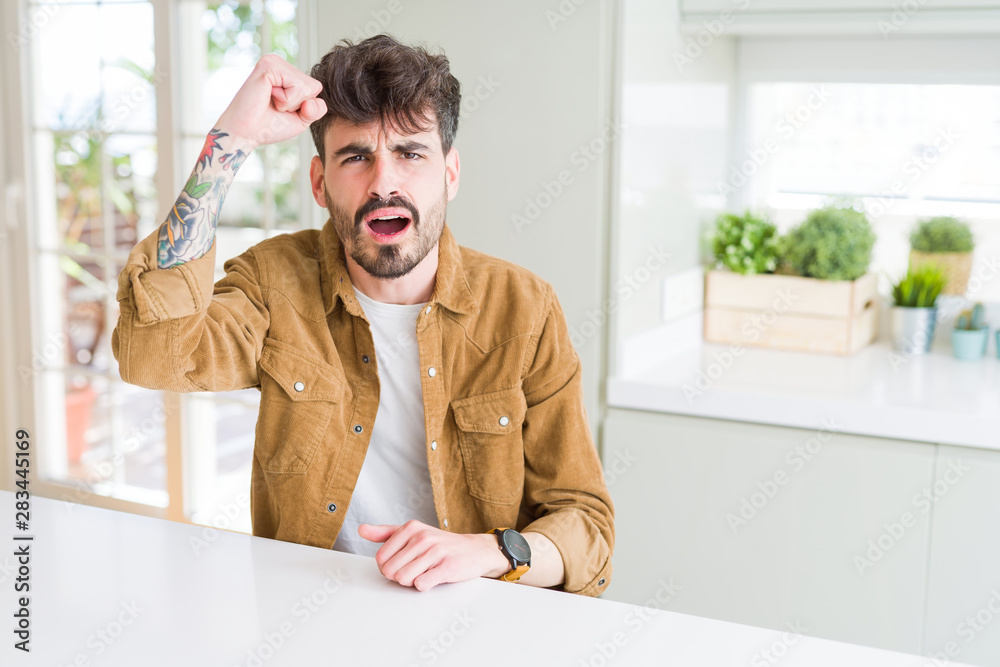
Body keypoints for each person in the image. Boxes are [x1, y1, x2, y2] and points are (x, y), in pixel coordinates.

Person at [112, 34, 614, 596]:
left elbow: (587, 529)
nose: (384, 183)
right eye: (356, 157)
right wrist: (229, 142)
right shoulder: (273, 282)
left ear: (450, 173)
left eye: (410, 152)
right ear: (320, 184)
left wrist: (490, 551)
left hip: (478, 627)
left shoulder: (525, 309)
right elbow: (154, 354)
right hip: (302, 622)